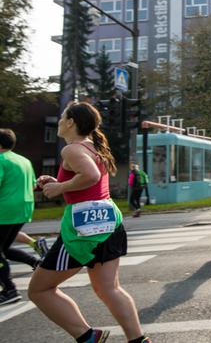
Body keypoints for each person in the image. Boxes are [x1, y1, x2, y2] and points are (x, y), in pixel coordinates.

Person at [28, 102, 150, 343]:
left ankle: (88, 337)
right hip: (108, 222)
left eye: (63, 116)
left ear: (71, 122)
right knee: (109, 289)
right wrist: (57, 181)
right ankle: (138, 340)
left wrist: (60, 187)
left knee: (39, 290)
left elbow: (90, 176)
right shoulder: (93, 147)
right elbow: (89, 181)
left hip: (83, 229)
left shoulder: (71, 149)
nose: (60, 121)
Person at [0, 128, 41, 306]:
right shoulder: (24, 160)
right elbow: (33, 186)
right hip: (23, 209)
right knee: (5, 249)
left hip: (4, 210)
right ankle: (36, 263)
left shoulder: (1, 160)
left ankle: (9, 289)